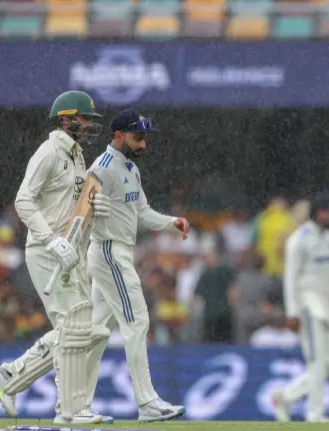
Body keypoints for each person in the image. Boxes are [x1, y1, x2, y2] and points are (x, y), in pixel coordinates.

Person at [0, 91, 113, 425]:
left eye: (90, 121)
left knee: (89, 330)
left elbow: (73, 209)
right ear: (65, 119)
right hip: (47, 252)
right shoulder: (49, 152)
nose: (88, 125)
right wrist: (51, 240)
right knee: (73, 329)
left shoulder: (77, 157)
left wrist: (94, 211)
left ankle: (12, 375)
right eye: (83, 119)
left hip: (70, 253)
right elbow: (23, 201)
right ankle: (70, 412)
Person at [84, 109, 190, 423]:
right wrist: (89, 208)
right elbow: (77, 211)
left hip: (118, 252)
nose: (143, 145)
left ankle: (74, 404)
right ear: (118, 135)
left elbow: (141, 213)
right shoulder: (101, 168)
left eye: (144, 138)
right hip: (109, 252)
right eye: (138, 137)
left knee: (95, 332)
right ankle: (146, 403)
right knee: (137, 322)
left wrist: (173, 223)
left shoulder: (130, 168)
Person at [271, 191, 329, 423]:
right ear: (321, 213)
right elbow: (290, 278)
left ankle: (285, 397)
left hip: (327, 306)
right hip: (308, 304)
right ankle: (314, 415)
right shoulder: (299, 238)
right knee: (317, 362)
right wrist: (292, 312)